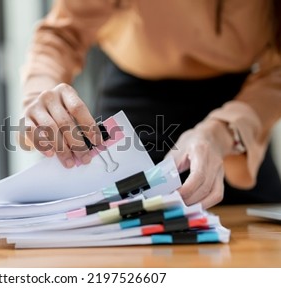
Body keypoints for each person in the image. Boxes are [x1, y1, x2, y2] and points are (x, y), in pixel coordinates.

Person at [19, 0, 281, 208]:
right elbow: (64, 33)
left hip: (240, 111)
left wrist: (223, 133)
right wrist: (39, 95)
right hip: (134, 105)